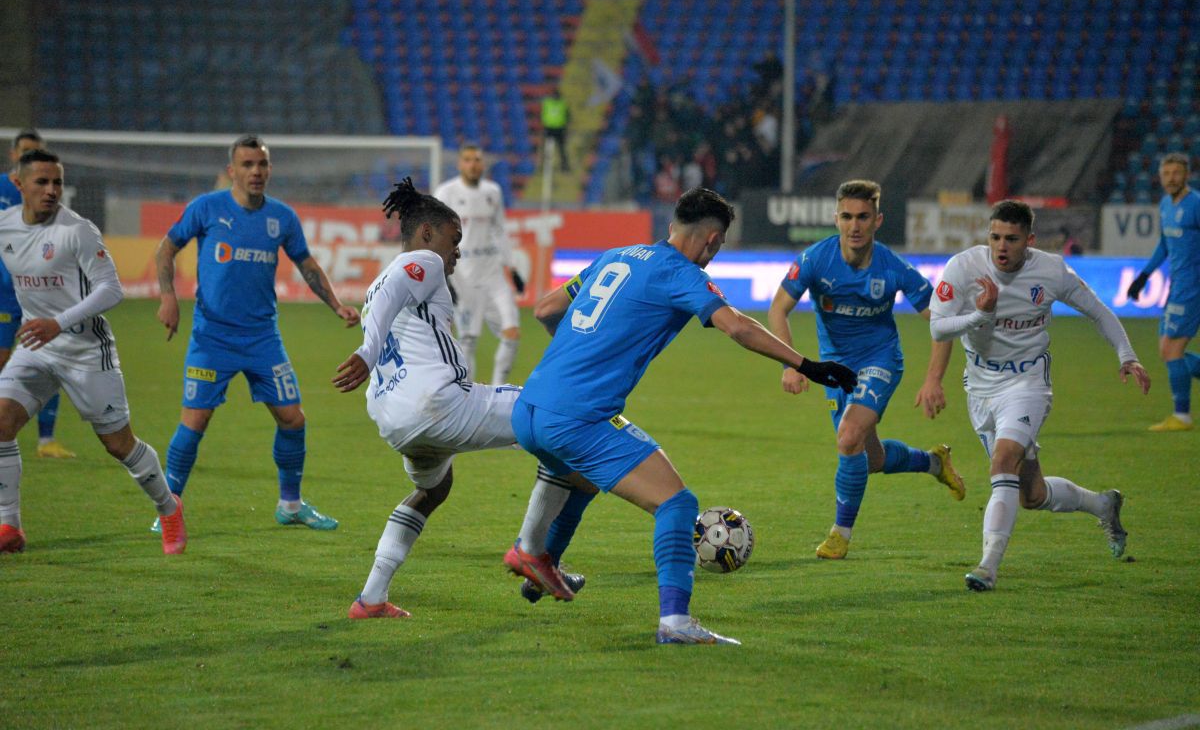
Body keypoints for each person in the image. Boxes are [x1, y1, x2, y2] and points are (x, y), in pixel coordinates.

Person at [503, 187, 857, 645]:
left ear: (672, 226)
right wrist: (806, 365)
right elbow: (738, 326)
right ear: (711, 241)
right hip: (576, 417)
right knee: (677, 504)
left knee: (585, 477)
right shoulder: (682, 273)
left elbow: (548, 308)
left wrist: (576, 356)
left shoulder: (617, 256)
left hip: (529, 408)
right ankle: (676, 622)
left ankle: (541, 567)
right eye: (719, 245)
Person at [332, 179, 592, 618]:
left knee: (433, 489)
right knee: (558, 417)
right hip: (439, 405)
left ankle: (371, 598)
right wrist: (365, 350)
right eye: (455, 242)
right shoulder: (422, 261)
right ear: (429, 234)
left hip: (395, 420)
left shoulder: (376, 283)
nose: (457, 253)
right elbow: (395, 290)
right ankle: (534, 553)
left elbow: (387, 299)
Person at [930, 199, 1150, 591]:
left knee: (1003, 461)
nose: (1001, 246)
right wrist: (981, 316)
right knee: (1030, 494)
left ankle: (987, 567)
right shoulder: (963, 268)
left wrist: (1127, 356)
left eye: (1011, 239)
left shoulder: (1050, 271)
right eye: (995, 237)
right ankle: (1103, 504)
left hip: (1027, 384)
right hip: (980, 388)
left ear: (1029, 240)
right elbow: (939, 328)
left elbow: (1099, 311)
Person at [154, 135, 359, 534]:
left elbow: (307, 264)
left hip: (263, 338)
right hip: (212, 338)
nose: (256, 172)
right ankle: (167, 508)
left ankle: (291, 505)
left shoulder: (281, 217)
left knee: (293, 419)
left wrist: (336, 305)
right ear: (232, 170)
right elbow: (166, 249)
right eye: (247, 165)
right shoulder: (206, 208)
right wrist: (168, 296)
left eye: (262, 164)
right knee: (194, 423)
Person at [766, 180, 965, 561]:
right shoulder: (814, 260)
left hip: (880, 362)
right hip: (834, 371)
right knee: (868, 458)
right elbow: (778, 308)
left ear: (878, 220)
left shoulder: (894, 268)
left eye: (862, 217)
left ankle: (840, 535)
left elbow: (941, 321)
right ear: (835, 219)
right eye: (846, 217)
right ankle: (934, 462)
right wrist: (790, 364)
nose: (854, 225)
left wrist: (933, 379)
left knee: (848, 437)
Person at [0, 150, 185, 555]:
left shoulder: (77, 230)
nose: (52, 191)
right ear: (19, 185)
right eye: (42, 182)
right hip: (35, 348)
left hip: (85, 350)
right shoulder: (5, 226)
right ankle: (9, 526)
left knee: (119, 445)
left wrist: (58, 323)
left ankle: (169, 508)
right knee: (1, 425)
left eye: (57, 183)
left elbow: (111, 289)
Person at [0, 130, 75, 460]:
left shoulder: (48, 192)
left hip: (40, 293)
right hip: (4, 291)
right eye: (26, 152)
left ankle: (47, 441)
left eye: (37, 152)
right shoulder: (3, 189)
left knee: (50, 363)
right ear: (14, 155)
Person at [432, 146, 524, 385]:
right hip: (464, 275)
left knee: (512, 332)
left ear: (483, 165)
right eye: (468, 160)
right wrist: (444, 276)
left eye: (477, 160)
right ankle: (468, 394)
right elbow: (437, 236)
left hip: (493, 273)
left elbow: (499, 229)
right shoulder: (446, 192)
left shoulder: (493, 191)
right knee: (468, 340)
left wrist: (512, 268)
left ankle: (497, 391)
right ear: (460, 164)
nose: (473, 164)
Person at [1126, 151, 1200, 432]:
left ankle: (1182, 416)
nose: (1171, 178)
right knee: (1167, 351)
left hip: (1193, 287)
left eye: (1176, 173)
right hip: (1177, 285)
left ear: (1187, 175)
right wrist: (1144, 276)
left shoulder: (1195, 204)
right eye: (1166, 173)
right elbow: (1165, 245)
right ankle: (1181, 415)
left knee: (1171, 350)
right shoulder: (1166, 205)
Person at [541, 88, 570, 173]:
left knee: (561, 148)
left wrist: (565, 126)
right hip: (549, 128)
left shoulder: (563, 104)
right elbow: (543, 113)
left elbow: (567, 116)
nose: (555, 97)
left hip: (559, 128)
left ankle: (564, 165)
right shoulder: (547, 103)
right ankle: (544, 166)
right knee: (546, 148)